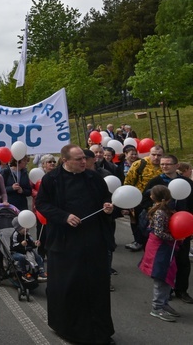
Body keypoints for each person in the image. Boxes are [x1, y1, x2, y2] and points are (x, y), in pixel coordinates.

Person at [35, 144, 115, 345]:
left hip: (93, 240)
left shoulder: (93, 177)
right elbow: (42, 204)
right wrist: (64, 217)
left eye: (84, 159)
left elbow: (105, 198)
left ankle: (101, 332)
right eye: (79, 159)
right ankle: (68, 329)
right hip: (65, 244)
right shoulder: (51, 180)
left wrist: (108, 206)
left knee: (97, 288)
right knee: (70, 287)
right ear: (65, 161)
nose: (85, 162)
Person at [141, 154, 193, 304]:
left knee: (183, 261)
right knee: (166, 263)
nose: (164, 166)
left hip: (183, 229)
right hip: (164, 231)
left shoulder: (186, 182)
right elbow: (144, 201)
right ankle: (166, 291)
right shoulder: (156, 182)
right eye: (162, 164)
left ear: (177, 166)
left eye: (168, 164)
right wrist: (157, 211)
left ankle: (181, 290)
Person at [139, 185, 180, 322]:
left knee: (167, 274)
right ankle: (157, 307)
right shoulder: (160, 212)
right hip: (159, 248)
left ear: (153, 197)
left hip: (164, 247)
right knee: (161, 276)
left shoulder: (165, 210)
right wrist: (175, 237)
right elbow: (159, 232)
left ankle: (163, 303)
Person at [123, 145, 163, 252]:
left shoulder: (164, 166)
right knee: (138, 222)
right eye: (153, 154)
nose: (156, 157)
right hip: (139, 199)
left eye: (159, 155)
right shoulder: (140, 164)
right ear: (149, 154)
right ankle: (138, 241)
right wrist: (128, 201)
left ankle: (151, 244)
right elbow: (128, 182)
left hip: (159, 202)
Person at [9, 218, 46, 282]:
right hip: (16, 252)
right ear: (19, 228)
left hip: (27, 251)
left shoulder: (27, 234)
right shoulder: (15, 235)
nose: (27, 229)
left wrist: (35, 244)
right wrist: (21, 244)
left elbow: (31, 244)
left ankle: (41, 272)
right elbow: (12, 247)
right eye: (24, 228)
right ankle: (24, 273)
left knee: (38, 256)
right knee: (21, 257)